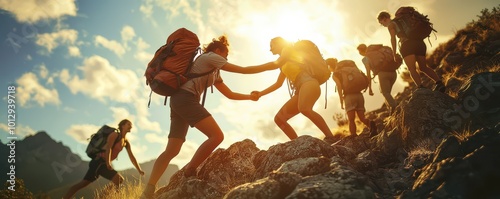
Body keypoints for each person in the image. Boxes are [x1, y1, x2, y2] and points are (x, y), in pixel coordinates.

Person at [141, 35, 276, 199]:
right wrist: (273, 65)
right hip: (186, 99)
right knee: (217, 136)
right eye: (225, 55)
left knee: (172, 150)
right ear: (218, 51)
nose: (225, 59)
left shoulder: (213, 71)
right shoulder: (210, 57)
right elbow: (243, 70)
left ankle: (148, 190)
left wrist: (250, 96)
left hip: (178, 101)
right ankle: (190, 170)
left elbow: (230, 94)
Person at [251, 37, 335, 141]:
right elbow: (278, 84)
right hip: (300, 90)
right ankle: (297, 144)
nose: (270, 49)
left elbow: (274, 64)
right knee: (279, 119)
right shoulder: (284, 64)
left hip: (309, 83)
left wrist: (247, 70)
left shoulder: (287, 49)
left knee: (304, 109)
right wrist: (260, 94)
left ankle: (331, 137)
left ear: (278, 43)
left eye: (271, 45)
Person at [64, 119, 144, 199]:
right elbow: (109, 148)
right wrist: (108, 163)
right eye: (128, 124)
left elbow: (131, 156)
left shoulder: (126, 142)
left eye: (131, 125)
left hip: (102, 163)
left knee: (83, 183)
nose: (131, 126)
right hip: (99, 161)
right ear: (122, 125)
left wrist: (139, 169)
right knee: (118, 179)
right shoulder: (114, 135)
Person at [377, 11, 446, 92]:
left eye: (381, 23)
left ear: (384, 19)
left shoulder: (391, 25)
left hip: (407, 45)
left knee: (412, 69)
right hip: (419, 43)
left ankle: (421, 88)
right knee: (423, 67)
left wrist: (394, 53)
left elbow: (393, 39)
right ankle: (439, 83)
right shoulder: (403, 20)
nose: (383, 25)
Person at [326, 58, 377, 138]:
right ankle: (371, 125)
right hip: (359, 95)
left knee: (351, 119)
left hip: (349, 96)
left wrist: (341, 101)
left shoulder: (336, 74)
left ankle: (353, 136)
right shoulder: (350, 69)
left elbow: (339, 87)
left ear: (329, 66)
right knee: (362, 118)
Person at [357, 44, 397, 113]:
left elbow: (368, 74)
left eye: (359, 52)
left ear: (360, 51)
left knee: (385, 93)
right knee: (386, 93)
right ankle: (391, 110)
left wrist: (370, 88)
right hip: (393, 73)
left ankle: (396, 108)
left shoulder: (365, 59)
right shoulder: (378, 52)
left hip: (383, 74)